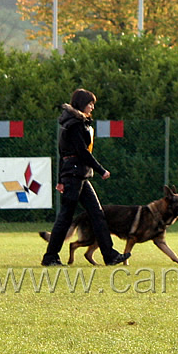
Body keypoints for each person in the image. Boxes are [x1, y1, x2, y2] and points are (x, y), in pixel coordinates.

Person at [41, 89, 130, 266]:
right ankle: (50, 256)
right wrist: (100, 169)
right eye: (90, 104)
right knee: (66, 217)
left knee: (97, 214)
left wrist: (60, 178)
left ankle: (110, 255)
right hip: (75, 174)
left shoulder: (72, 123)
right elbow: (81, 152)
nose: (92, 107)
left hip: (78, 175)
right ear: (81, 104)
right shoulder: (74, 124)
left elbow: (62, 153)